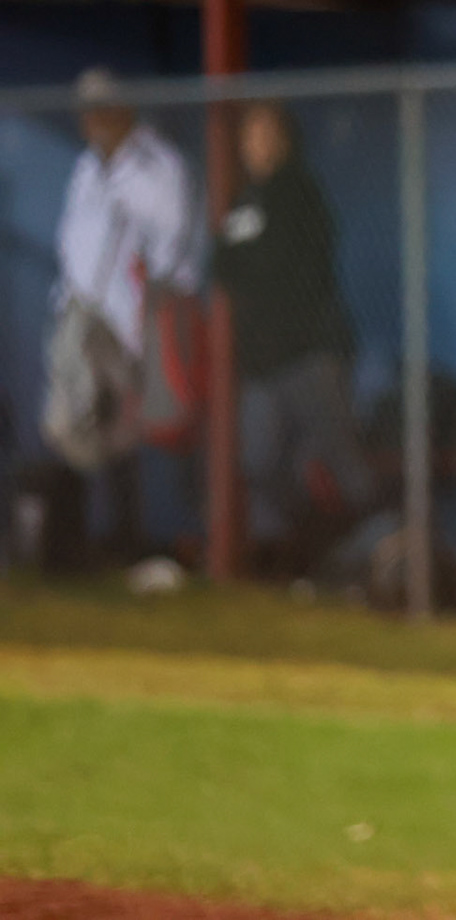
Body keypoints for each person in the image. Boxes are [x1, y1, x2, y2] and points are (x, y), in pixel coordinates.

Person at [209, 102, 374, 576]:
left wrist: (255, 264)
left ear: (284, 141)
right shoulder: (244, 203)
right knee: (259, 462)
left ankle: (387, 557)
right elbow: (221, 266)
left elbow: (290, 265)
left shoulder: (302, 194)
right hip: (261, 361)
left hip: (310, 355)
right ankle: (320, 542)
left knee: (345, 462)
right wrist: (255, 264)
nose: (256, 145)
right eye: (249, 136)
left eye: (265, 134)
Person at [50, 67, 199, 563]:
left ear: (126, 109)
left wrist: (151, 314)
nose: (93, 119)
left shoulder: (157, 164)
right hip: (81, 312)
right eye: (88, 110)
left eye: (103, 107)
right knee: (73, 420)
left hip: (129, 318)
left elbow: (172, 247)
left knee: (125, 428)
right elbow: (72, 241)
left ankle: (124, 541)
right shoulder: (85, 167)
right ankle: (72, 543)